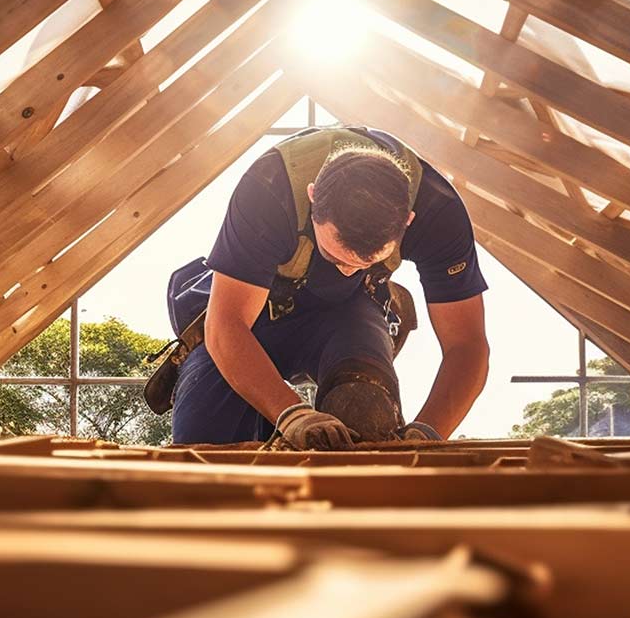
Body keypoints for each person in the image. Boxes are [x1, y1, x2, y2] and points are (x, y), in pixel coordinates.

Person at [161, 125, 489, 449]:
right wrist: (292, 415)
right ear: (313, 195)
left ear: (408, 221)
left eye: (364, 264)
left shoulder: (440, 213)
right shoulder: (269, 188)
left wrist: (427, 433)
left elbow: (467, 345)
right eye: (334, 256)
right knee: (203, 444)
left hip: (350, 315)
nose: (347, 270)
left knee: (365, 407)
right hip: (256, 315)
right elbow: (226, 324)